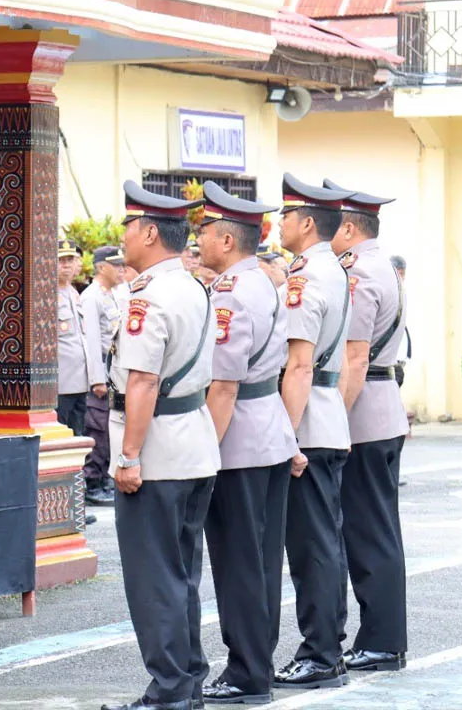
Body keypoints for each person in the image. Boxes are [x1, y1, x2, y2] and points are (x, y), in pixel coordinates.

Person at [101, 181, 219, 710]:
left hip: (158, 455)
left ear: (150, 232)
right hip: (193, 447)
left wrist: (128, 456)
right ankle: (188, 677)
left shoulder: (146, 296)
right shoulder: (194, 286)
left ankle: (169, 689)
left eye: (128, 228)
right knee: (182, 574)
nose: (122, 237)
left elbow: (143, 383)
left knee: (155, 580)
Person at [194, 183, 298, 705]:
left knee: (238, 562)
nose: (199, 239)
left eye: (206, 232)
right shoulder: (259, 281)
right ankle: (258, 660)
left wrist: (205, 454)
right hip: (270, 434)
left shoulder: (232, 292)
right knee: (260, 561)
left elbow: (225, 384)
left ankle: (248, 671)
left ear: (227, 239)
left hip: (240, 441)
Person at [272, 173, 355, 689]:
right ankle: (329, 648)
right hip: (328, 417)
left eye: (284, 215)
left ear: (306, 223)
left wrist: (287, 435)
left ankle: (321, 652)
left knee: (313, 547)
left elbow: (299, 367)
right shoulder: (332, 270)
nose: (278, 224)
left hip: (308, 426)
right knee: (325, 541)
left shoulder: (305, 279)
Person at [324, 179, 410, 673]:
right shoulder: (384, 266)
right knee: (379, 529)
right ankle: (383, 638)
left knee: (368, 532)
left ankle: (380, 641)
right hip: (383, 408)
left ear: (350, 227)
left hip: (363, 415)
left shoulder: (357, 274)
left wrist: (334, 419)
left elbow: (354, 360)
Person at [80, 246, 125, 507]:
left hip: (116, 374)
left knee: (111, 427)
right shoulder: (92, 296)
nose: (121, 270)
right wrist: (96, 378)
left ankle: (106, 477)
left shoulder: (114, 295)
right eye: (115, 265)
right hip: (102, 376)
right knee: (97, 427)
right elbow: (92, 340)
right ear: (101, 268)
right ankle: (93, 480)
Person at [56, 239, 104, 437]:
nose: (66, 264)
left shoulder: (74, 293)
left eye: (70, 259)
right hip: (61, 382)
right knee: (61, 437)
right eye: (61, 260)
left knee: (78, 436)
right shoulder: (46, 293)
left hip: (80, 381)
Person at [390, 255, 411, 387]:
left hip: (397, 364)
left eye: (403, 274)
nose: (401, 278)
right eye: (399, 273)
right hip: (388, 366)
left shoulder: (401, 293)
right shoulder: (387, 292)